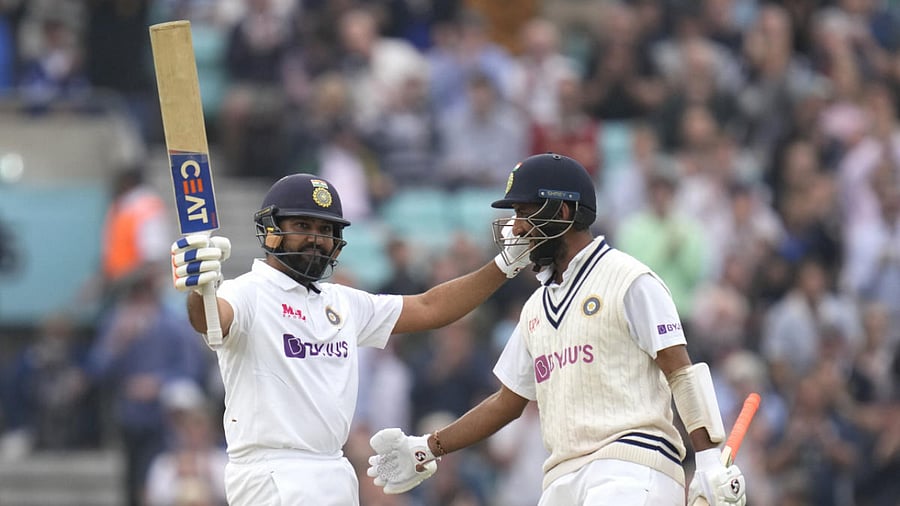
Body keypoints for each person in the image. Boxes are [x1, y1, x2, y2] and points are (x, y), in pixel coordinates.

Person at [367, 153, 748, 506]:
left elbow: (680, 370)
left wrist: (708, 458)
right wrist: (429, 447)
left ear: (563, 211)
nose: (515, 227)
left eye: (524, 212)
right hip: (560, 477)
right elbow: (506, 403)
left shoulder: (629, 278)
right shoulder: (536, 307)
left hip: (631, 465)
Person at [169, 173, 529, 505]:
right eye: (302, 225)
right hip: (273, 474)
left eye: (325, 229)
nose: (315, 239)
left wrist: (505, 264)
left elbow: (432, 307)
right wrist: (200, 288)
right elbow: (210, 317)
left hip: (335, 471)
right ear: (272, 230)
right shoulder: (247, 292)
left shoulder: (341, 302)